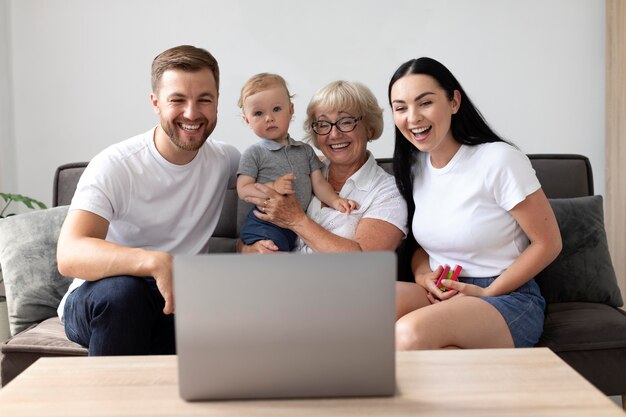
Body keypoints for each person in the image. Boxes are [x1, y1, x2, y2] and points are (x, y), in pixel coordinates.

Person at [55, 45, 240, 356]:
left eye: (204, 100)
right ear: (155, 103)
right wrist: (154, 261)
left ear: (217, 103)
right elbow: (70, 253)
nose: (192, 113)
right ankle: (111, 404)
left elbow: (286, 171)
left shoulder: (226, 160)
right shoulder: (117, 164)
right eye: (177, 100)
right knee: (124, 293)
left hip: (177, 306)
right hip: (101, 302)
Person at [388, 57, 562, 349]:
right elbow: (422, 247)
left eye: (425, 102)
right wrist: (423, 276)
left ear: (454, 101)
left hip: (506, 296)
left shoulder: (499, 159)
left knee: (409, 333)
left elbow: (548, 243)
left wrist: (487, 293)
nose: (413, 117)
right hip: (443, 289)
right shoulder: (415, 167)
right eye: (401, 108)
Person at [240, 80, 407, 255]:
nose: (334, 134)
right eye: (323, 124)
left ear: (369, 128)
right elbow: (245, 238)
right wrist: (249, 249)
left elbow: (366, 261)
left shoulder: (389, 192)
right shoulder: (301, 168)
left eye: (346, 122)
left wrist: (297, 220)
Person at [237, 73, 357, 252]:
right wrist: (272, 187)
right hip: (266, 221)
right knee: (271, 253)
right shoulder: (254, 153)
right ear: (247, 120)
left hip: (296, 224)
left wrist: (335, 200)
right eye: (258, 113)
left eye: (276, 109)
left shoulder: (305, 151)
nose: (269, 118)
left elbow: (318, 183)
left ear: (291, 110)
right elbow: (243, 190)